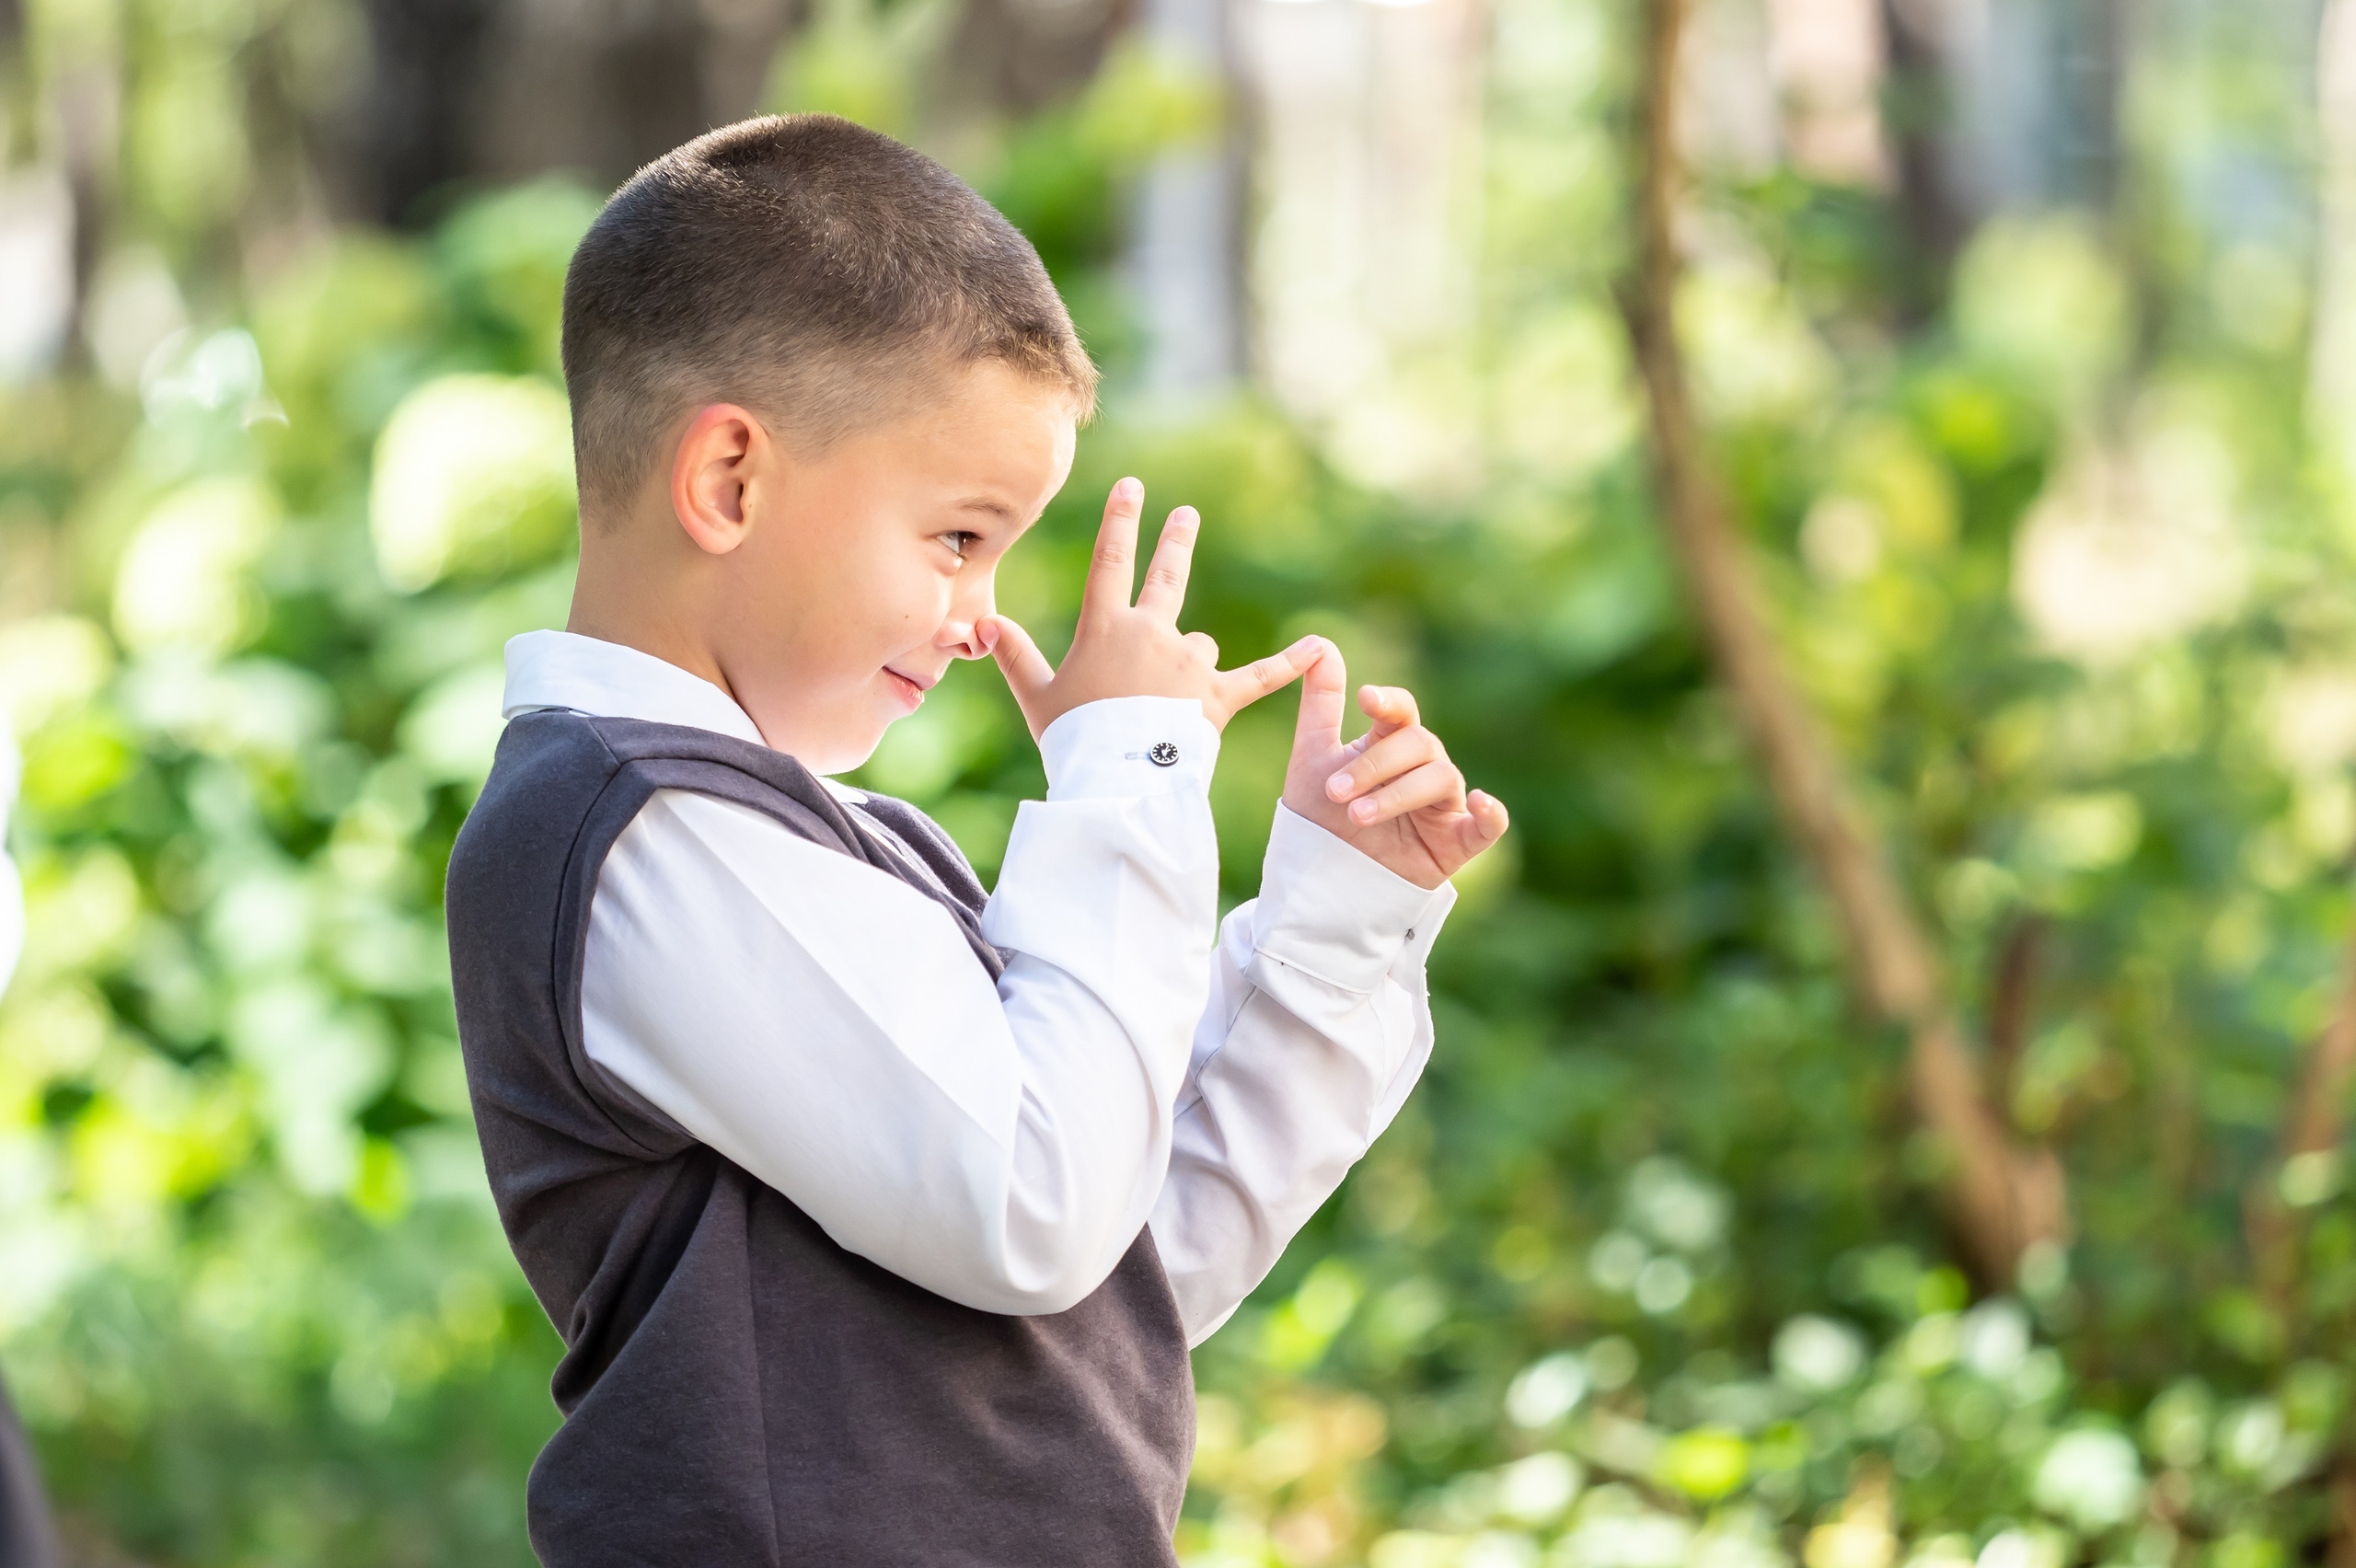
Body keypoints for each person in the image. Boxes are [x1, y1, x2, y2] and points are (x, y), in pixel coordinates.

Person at [444, 113, 1507, 1566]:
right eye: (958, 538)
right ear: (730, 482)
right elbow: (1038, 1207)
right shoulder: (631, 831)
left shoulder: (844, 846)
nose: (980, 617)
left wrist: (1335, 916)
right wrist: (1127, 773)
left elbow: (1122, 1273)